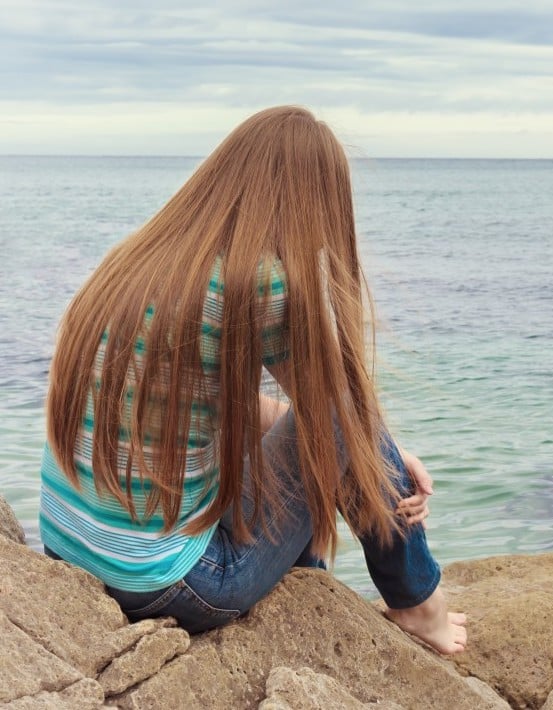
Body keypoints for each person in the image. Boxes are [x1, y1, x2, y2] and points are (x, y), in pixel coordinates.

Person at [39, 106, 467, 655]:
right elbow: (338, 413)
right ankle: (418, 604)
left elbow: (230, 408)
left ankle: (327, 578)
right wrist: (367, 450)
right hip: (172, 584)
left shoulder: (136, 261)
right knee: (345, 411)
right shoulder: (260, 284)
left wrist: (381, 451)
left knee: (341, 424)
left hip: (70, 548)